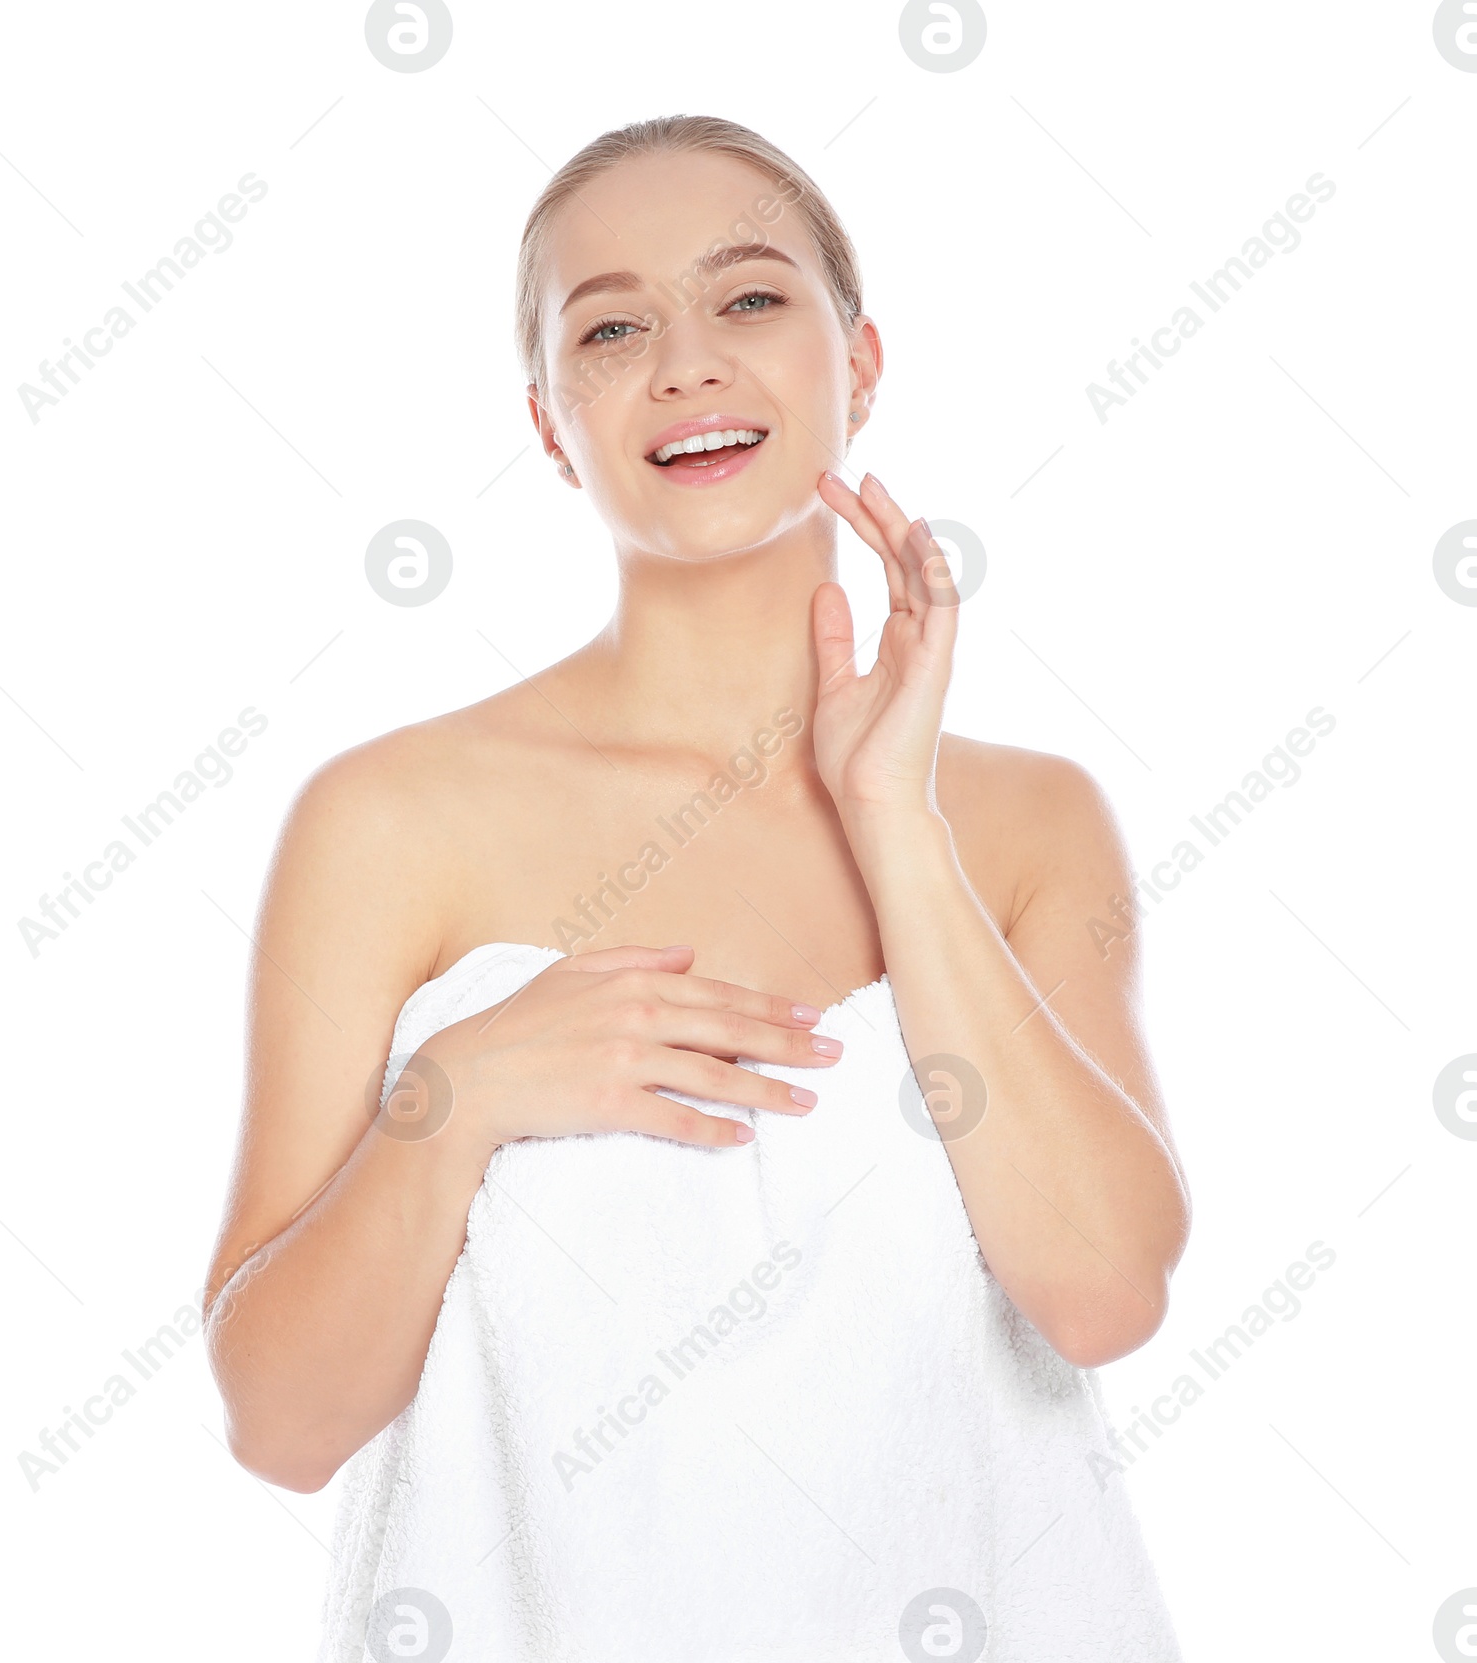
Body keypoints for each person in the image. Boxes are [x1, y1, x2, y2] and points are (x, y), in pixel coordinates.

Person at [204, 114, 1190, 1663]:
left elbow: (1103, 1299)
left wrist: (893, 818)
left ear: (860, 363)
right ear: (550, 423)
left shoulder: (1024, 824)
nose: (685, 363)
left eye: (747, 299)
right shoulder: (389, 821)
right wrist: (458, 1098)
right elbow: (282, 1422)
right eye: (612, 328)